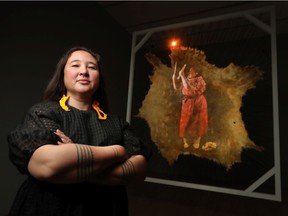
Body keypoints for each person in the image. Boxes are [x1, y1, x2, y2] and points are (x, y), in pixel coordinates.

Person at [7, 46, 151, 216]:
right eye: (75, 65)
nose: (83, 71)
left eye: (91, 67)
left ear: (99, 77)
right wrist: (117, 151)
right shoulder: (44, 112)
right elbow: (47, 167)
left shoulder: (117, 123)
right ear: (63, 74)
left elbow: (139, 171)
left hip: (105, 208)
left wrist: (72, 157)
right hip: (49, 207)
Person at [172, 62, 208, 149]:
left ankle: (197, 141)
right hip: (187, 102)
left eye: (192, 71)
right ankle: (185, 141)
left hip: (198, 102)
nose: (189, 72)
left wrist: (183, 76)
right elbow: (177, 87)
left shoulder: (200, 80)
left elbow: (189, 89)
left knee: (198, 122)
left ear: (196, 73)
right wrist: (174, 79)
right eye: (190, 70)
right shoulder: (187, 78)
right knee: (185, 121)